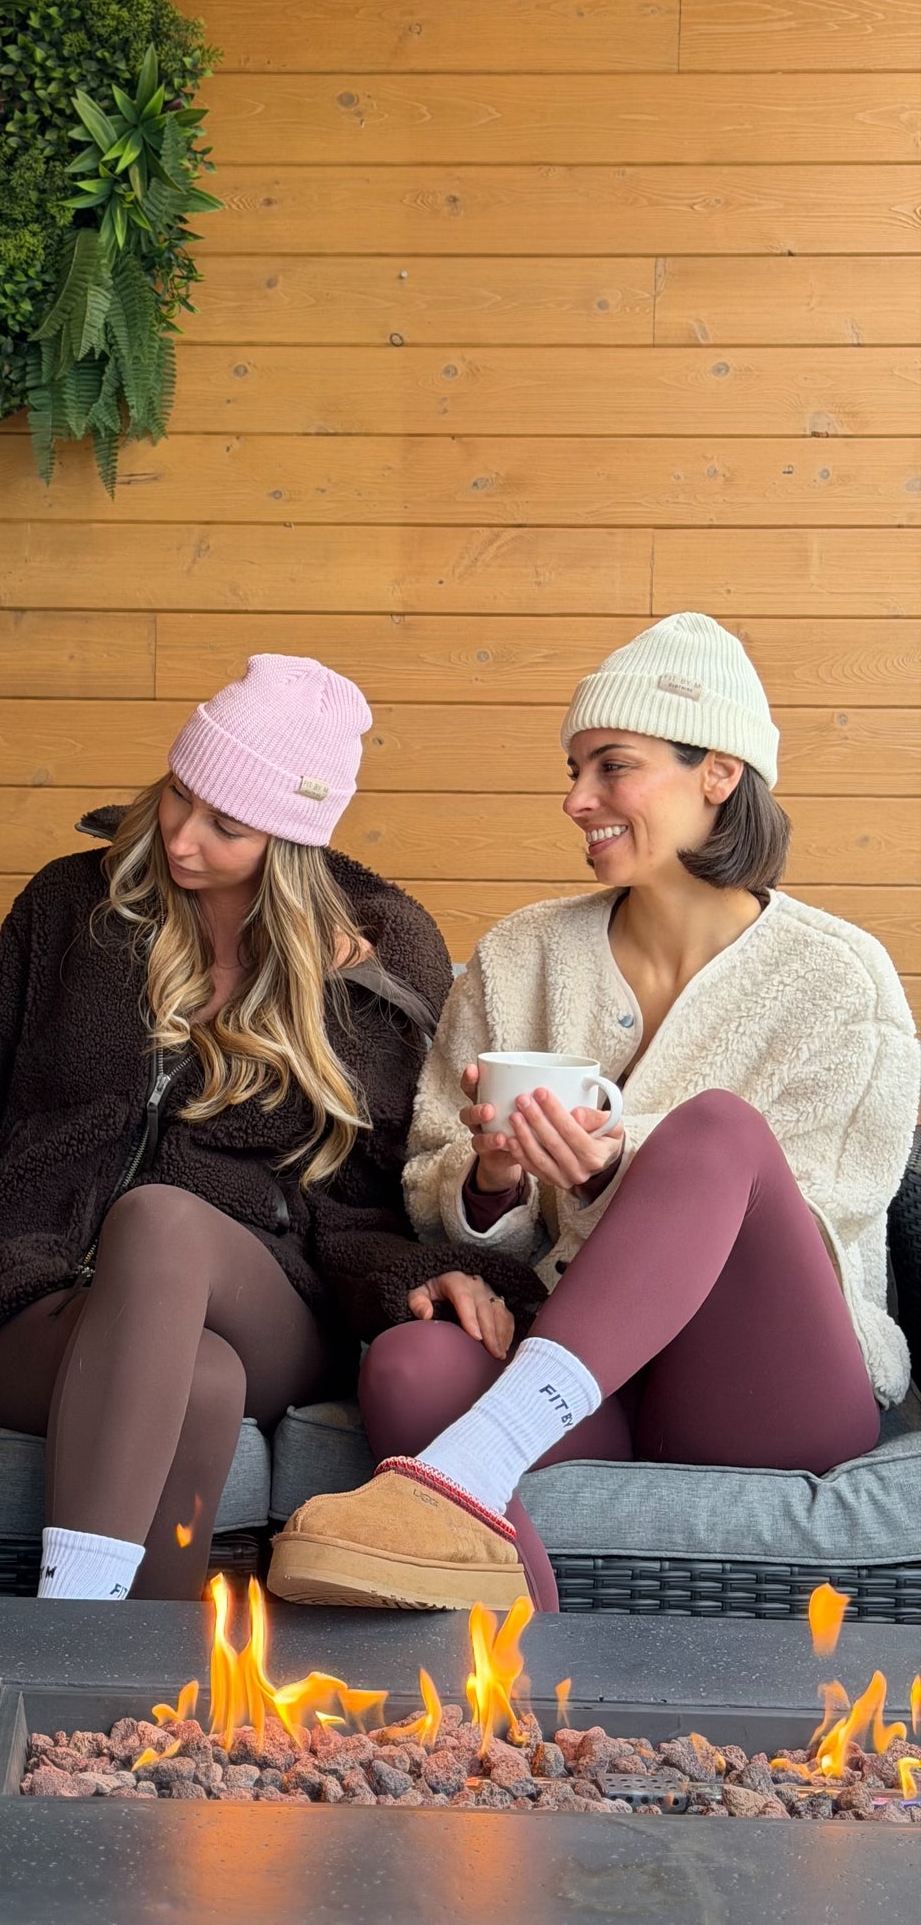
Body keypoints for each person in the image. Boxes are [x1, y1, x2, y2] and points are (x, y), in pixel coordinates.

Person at [0, 654, 538, 1602]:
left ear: (290, 844)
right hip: (29, 1294)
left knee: (161, 1219)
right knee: (198, 1386)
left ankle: (64, 1621)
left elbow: (363, 1195)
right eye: (180, 793)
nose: (181, 835)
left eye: (226, 825)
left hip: (267, 1300)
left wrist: (415, 1273)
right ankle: (135, 1673)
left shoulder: (376, 957)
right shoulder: (71, 905)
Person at [268, 612, 919, 1613]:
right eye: (574, 770)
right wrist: (493, 1182)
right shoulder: (520, 952)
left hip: (767, 1380)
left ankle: (476, 1459)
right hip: (582, 1381)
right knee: (407, 1367)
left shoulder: (839, 975)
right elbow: (431, 1174)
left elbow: (826, 1208)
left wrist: (615, 1168)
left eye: (613, 766)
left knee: (718, 1130)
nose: (578, 799)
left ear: (720, 773)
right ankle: (531, 1655)